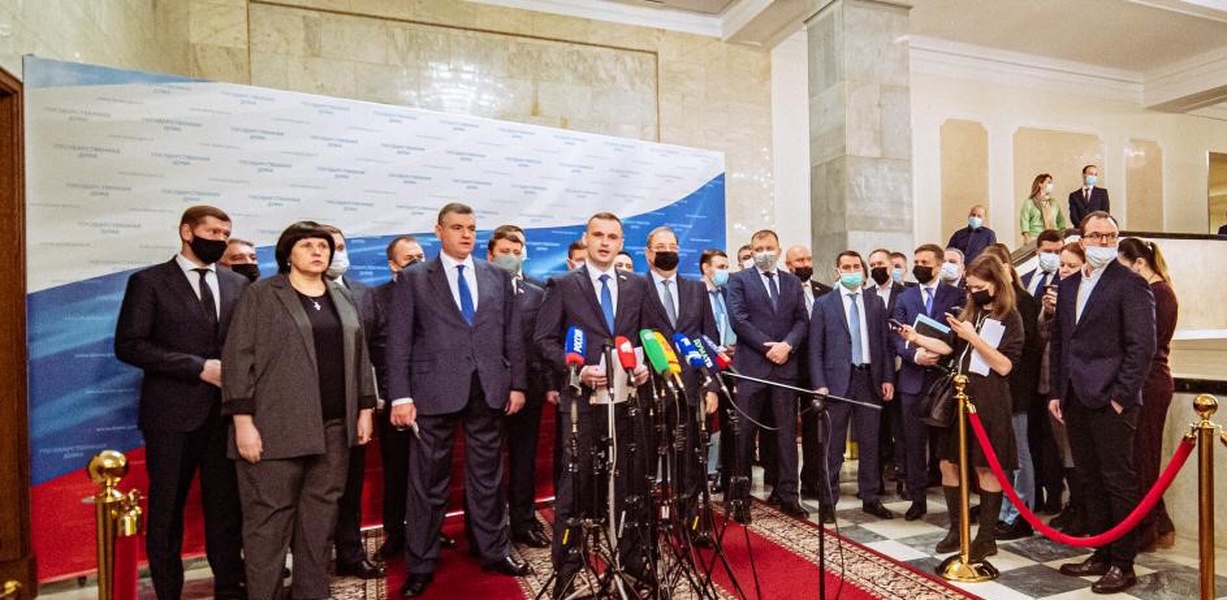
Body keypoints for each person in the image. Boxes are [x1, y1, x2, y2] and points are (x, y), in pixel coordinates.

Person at [221, 221, 376, 600]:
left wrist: (365, 408)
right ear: (287, 254)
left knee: (319, 527)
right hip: (274, 429)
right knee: (267, 528)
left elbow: (360, 357)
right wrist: (243, 423)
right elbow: (239, 359)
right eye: (307, 245)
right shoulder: (262, 294)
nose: (318, 251)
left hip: (334, 430)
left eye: (323, 246)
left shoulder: (341, 296)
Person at [387, 203, 531, 597]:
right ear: (439, 231)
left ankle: (494, 550)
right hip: (432, 391)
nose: (466, 234)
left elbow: (512, 335)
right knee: (427, 482)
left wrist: (517, 384)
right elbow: (398, 342)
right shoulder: (414, 278)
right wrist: (400, 396)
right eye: (457, 227)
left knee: (487, 478)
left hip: (488, 388)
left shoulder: (496, 276)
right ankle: (421, 563)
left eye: (471, 228)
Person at [113, 206, 247, 600]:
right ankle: (168, 591)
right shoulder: (149, 282)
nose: (220, 239)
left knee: (225, 509)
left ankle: (230, 588)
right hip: (171, 416)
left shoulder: (237, 284)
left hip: (226, 415)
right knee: (167, 509)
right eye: (213, 232)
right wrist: (197, 367)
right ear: (187, 232)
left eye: (226, 234)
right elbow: (130, 345)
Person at [533, 212, 652, 599]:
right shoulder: (563, 285)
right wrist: (578, 369)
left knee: (628, 482)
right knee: (577, 485)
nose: (604, 242)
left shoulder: (637, 285)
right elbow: (544, 341)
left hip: (626, 401)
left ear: (621, 243)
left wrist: (645, 366)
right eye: (598, 235)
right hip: (581, 405)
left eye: (612, 237)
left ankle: (630, 560)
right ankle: (567, 569)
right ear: (586, 239)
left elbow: (647, 336)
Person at [1049, 211, 1155, 594]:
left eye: (1111, 236)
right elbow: (1061, 342)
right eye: (1096, 236)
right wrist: (1057, 392)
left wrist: (1121, 397)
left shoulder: (1130, 283)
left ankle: (1123, 563)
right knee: (1089, 478)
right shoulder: (1068, 285)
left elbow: (1142, 346)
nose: (1104, 243)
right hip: (1074, 396)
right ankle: (1102, 551)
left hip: (1112, 398)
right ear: (1082, 240)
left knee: (1117, 480)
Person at [899, 254, 1023, 562]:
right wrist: (917, 338)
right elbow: (950, 348)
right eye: (970, 287)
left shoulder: (1010, 317)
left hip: (990, 399)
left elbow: (1004, 366)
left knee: (985, 466)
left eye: (979, 287)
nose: (973, 292)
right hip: (959, 395)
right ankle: (957, 528)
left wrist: (974, 337)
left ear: (996, 284)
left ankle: (986, 537)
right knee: (948, 463)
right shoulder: (971, 311)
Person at [641, 226, 719, 541]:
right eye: (661, 246)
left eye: (673, 245)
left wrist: (711, 386)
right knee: (646, 460)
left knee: (690, 460)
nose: (668, 251)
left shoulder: (696, 290)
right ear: (648, 253)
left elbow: (708, 338)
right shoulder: (636, 287)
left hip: (690, 388)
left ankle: (691, 522)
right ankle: (646, 525)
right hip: (650, 388)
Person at [726, 229, 810, 518]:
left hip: (785, 368)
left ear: (778, 250)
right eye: (758, 248)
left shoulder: (792, 282)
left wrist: (787, 345)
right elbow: (739, 320)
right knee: (745, 437)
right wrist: (768, 348)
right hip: (752, 369)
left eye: (769, 247)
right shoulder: (738, 280)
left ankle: (788, 495)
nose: (764, 253)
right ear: (751, 252)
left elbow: (802, 320)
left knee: (787, 437)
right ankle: (740, 499)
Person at [808, 250, 896, 523]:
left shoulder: (875, 302)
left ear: (863, 271)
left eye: (856, 266)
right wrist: (819, 383)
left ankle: (870, 496)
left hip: (869, 379)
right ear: (837, 272)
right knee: (833, 445)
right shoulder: (824, 304)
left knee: (870, 443)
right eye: (846, 267)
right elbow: (815, 349)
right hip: (836, 382)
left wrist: (887, 378)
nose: (851, 271)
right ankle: (828, 500)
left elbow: (884, 344)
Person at [319, 225, 383, 580]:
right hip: (308, 409)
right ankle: (312, 563)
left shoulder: (362, 293)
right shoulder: (283, 293)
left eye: (340, 247)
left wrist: (372, 398)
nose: (334, 254)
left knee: (350, 485)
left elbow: (377, 347)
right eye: (328, 247)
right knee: (313, 492)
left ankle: (350, 553)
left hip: (355, 405)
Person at [488, 227, 555, 549]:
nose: (511, 257)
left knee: (524, 459)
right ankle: (488, 528)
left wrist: (548, 384)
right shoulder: (478, 288)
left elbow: (545, 342)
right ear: (490, 255)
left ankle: (523, 521)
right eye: (505, 251)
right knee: (487, 463)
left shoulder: (539, 291)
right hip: (487, 389)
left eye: (517, 252)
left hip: (529, 387)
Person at [892, 243, 965, 521]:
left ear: (938, 265)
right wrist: (915, 355)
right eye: (917, 262)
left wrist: (940, 353)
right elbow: (896, 334)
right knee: (913, 444)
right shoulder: (905, 297)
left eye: (925, 262)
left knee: (948, 447)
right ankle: (917, 499)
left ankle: (955, 504)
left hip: (944, 380)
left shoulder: (957, 295)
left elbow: (960, 335)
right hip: (912, 380)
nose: (919, 266)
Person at [368, 235, 430, 560]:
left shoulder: (437, 292)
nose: (417, 263)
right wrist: (390, 396)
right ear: (393, 265)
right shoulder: (377, 297)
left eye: (421, 256)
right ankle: (396, 534)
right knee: (396, 471)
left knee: (429, 471)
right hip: (395, 400)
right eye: (409, 259)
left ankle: (428, 531)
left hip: (434, 398)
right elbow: (377, 351)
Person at [1118, 237, 1178, 552]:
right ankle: (1159, 522)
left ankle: (1148, 528)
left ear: (1139, 263)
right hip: (1144, 381)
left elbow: (1146, 343)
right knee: (1137, 456)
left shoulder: (1159, 294)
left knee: (1144, 457)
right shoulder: (1151, 292)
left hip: (1151, 382)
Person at [981, 244, 1041, 542]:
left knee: (1019, 453)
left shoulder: (1022, 302)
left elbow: (1021, 351)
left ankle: (1021, 512)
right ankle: (1004, 509)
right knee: (1001, 455)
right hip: (993, 389)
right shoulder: (990, 304)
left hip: (1016, 388)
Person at [1042, 243, 1088, 535]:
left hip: (1081, 385)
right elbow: (1047, 337)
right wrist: (1049, 313)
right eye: (1062, 265)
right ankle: (1074, 505)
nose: (1065, 270)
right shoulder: (1060, 292)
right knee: (1064, 452)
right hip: (1056, 381)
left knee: (1078, 453)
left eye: (1072, 265)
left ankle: (1084, 509)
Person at [1021, 229, 1065, 513]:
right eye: (1048, 251)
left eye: (1058, 252)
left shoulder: (1067, 279)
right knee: (1032, 435)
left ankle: (1055, 493)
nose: (1053, 256)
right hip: (1028, 368)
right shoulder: (1026, 280)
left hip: (1052, 367)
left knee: (1053, 440)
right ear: (1037, 251)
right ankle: (1033, 492)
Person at [784, 244, 834, 500]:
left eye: (807, 259)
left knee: (815, 429)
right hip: (787, 366)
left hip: (816, 370)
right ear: (788, 265)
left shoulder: (825, 291)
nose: (805, 264)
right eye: (799, 260)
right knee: (785, 427)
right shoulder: (783, 291)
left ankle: (812, 480)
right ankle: (782, 481)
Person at [867, 248, 907, 495]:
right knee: (877, 428)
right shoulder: (867, 295)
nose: (877, 268)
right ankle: (877, 479)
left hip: (900, 367)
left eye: (880, 263)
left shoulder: (905, 293)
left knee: (900, 427)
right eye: (872, 265)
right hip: (874, 369)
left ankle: (904, 477)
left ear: (891, 266)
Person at [1020, 173, 1067, 244]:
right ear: (1040, 184)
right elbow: (1024, 221)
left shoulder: (1053, 202)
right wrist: (1026, 237)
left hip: (1053, 237)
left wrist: (1063, 231)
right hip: (1035, 237)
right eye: (1049, 182)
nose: (1051, 185)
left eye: (1051, 183)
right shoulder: (1029, 203)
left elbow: (1060, 219)